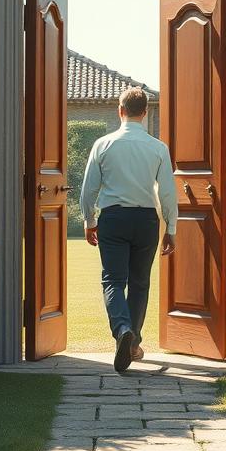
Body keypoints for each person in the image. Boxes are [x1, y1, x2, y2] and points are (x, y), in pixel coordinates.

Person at [79, 86, 178, 372]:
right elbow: (168, 193)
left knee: (112, 280)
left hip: (113, 218)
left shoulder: (103, 144)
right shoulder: (158, 147)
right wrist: (171, 227)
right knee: (139, 283)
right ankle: (133, 343)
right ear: (145, 113)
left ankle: (123, 329)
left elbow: (88, 190)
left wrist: (89, 221)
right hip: (147, 220)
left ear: (119, 110)